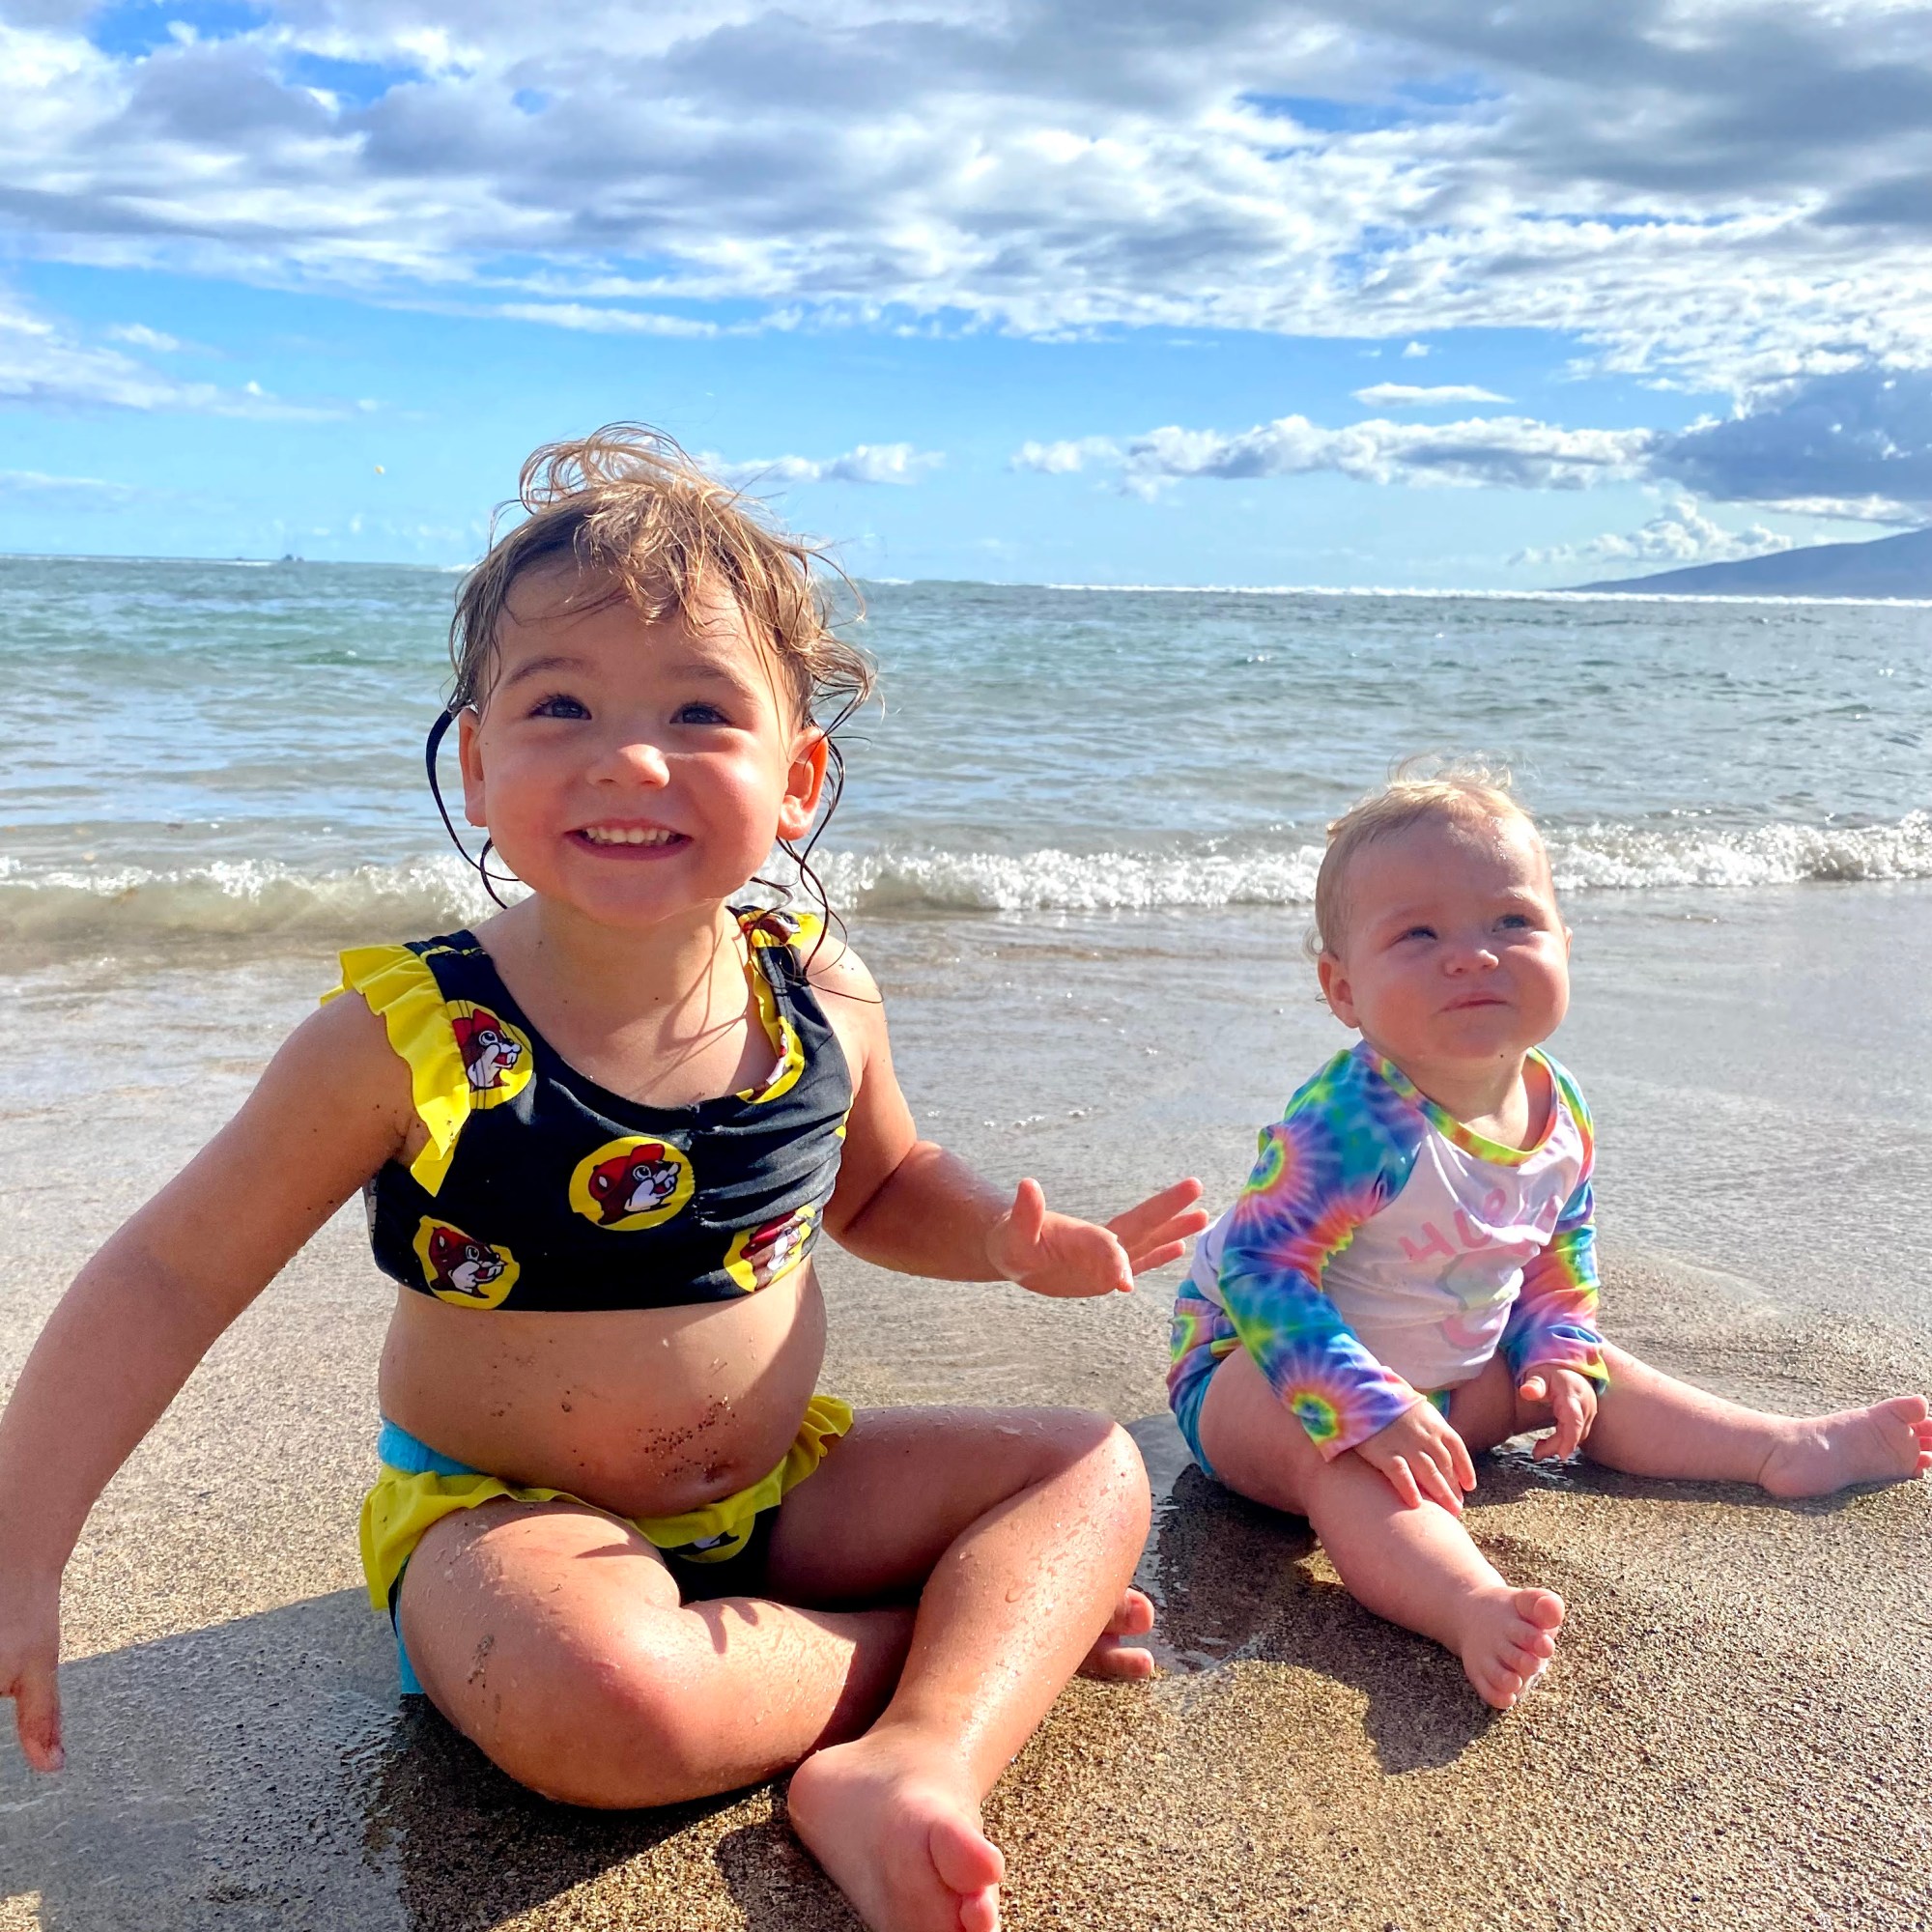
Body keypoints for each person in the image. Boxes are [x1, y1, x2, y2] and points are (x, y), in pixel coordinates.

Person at [0, 427, 1207, 1932]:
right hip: (506, 1527)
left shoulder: (818, 989)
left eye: (700, 711)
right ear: (479, 761)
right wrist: (23, 1543)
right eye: (560, 704)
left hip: (778, 1493)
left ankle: (916, 1758)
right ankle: (931, 1650)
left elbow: (885, 1190)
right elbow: (170, 1275)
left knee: (1089, 1467)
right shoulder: (408, 1036)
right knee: (610, 1712)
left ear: (796, 779)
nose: (630, 757)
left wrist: (1007, 1245)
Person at [1167, 766, 1932, 1711]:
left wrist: (1558, 1350)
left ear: (1565, 945)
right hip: (1260, 1376)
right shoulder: (1350, 1122)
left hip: (1451, 1378)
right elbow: (1260, 1268)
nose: (1472, 956)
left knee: (1592, 1371)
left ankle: (1775, 1445)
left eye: (1511, 921)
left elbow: (1556, 1251)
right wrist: (1367, 1404)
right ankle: (1462, 1599)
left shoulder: (1558, 1105)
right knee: (1337, 1459)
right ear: (1343, 987)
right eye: (1418, 934)